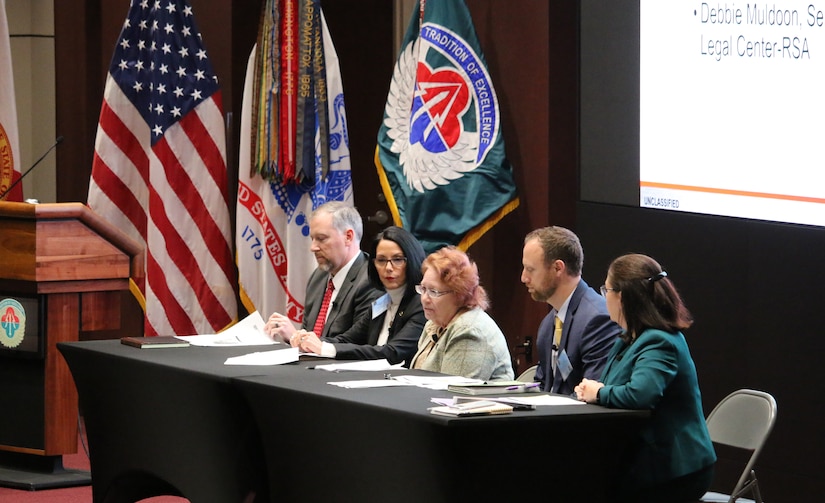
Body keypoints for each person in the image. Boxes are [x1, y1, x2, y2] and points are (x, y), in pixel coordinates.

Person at [574, 253, 716, 503]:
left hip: (675, 468)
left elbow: (641, 394)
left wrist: (598, 393)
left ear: (622, 296)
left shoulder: (660, 340)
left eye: (606, 289)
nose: (604, 296)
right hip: (647, 461)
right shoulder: (630, 338)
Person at [292, 226, 427, 366]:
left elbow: (392, 353)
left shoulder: (421, 305)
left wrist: (325, 348)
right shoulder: (381, 303)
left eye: (397, 259)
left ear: (411, 260)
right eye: (381, 260)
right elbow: (347, 339)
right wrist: (309, 340)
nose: (388, 268)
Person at [520, 226, 621, 395]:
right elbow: (542, 385)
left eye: (530, 269)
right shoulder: (548, 324)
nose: (524, 278)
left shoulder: (598, 320)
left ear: (558, 268)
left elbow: (590, 396)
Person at [265, 201, 380, 344]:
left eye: (321, 239)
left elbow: (355, 345)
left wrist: (296, 336)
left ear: (348, 237)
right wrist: (293, 338)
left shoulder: (371, 280)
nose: (313, 247)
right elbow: (308, 332)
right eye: (312, 239)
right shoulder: (318, 278)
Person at [409, 246, 514, 381]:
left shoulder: (469, 331)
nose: (424, 298)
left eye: (433, 292)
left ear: (459, 294)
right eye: (423, 289)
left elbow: (451, 395)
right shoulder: (433, 325)